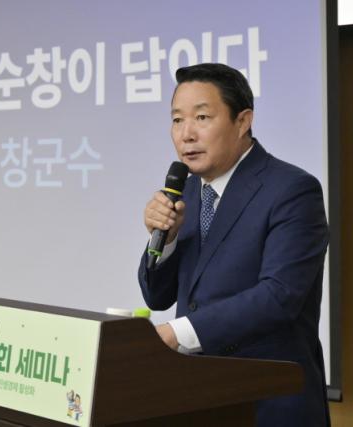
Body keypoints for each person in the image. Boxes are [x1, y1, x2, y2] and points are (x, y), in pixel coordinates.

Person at [138, 63, 330, 426]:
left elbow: (279, 297)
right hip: (199, 398)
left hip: (268, 401)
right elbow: (157, 297)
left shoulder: (291, 190)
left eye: (202, 117)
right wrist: (167, 239)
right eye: (177, 120)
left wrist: (176, 334)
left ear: (243, 121)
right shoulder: (187, 190)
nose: (186, 134)